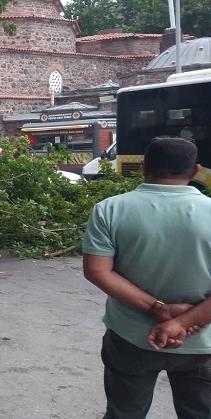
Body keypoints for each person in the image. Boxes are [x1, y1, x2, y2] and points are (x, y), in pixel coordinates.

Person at [83, 136, 211, 419]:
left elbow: (97, 270)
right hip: (202, 343)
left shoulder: (110, 209)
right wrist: (184, 322)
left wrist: (160, 310)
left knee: (124, 413)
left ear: (144, 167)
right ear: (194, 171)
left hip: (131, 338)